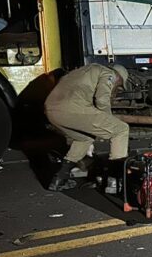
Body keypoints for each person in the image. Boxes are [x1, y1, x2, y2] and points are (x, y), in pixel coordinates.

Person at [44, 63, 130, 191]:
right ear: (118, 77)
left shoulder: (83, 70)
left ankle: (59, 179)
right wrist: (109, 120)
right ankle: (116, 179)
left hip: (51, 110)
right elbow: (101, 99)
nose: (116, 88)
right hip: (72, 108)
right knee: (121, 130)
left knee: (84, 138)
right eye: (118, 86)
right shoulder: (108, 73)